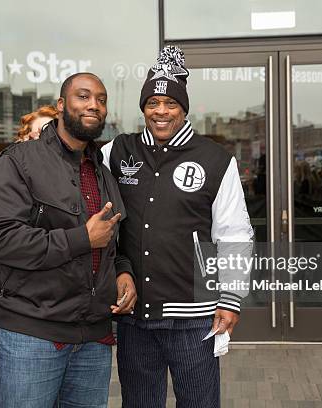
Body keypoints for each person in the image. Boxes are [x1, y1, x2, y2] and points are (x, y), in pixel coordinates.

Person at [102, 45, 254, 407]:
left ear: (183, 108)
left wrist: (231, 299)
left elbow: (235, 234)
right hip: (136, 317)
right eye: (152, 102)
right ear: (143, 108)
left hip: (196, 318)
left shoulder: (215, 159)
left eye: (170, 103)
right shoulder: (117, 151)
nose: (161, 111)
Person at [0, 72, 137, 408]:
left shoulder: (104, 174)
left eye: (101, 99)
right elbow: (2, 240)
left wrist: (123, 272)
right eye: (83, 96)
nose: (93, 105)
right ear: (61, 106)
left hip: (94, 337)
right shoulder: (19, 161)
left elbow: (113, 243)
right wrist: (82, 238)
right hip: (32, 335)